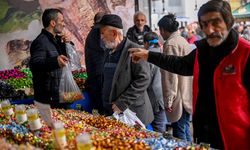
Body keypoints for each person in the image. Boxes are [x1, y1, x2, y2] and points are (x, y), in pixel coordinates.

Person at [129, 0, 250, 149]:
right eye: (204, 24)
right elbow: (180, 64)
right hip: (204, 135)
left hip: (236, 141)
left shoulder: (245, 53)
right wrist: (148, 55)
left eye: (216, 22)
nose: (210, 29)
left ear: (229, 22)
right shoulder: (202, 52)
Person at [99, 14, 154, 125]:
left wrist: (122, 102)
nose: (101, 37)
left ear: (114, 33)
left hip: (131, 114)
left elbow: (144, 79)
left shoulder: (134, 50)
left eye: (102, 33)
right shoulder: (107, 51)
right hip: (111, 113)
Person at [157, 14, 193, 142]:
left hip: (179, 98)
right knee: (185, 131)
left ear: (162, 29)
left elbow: (170, 76)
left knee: (180, 135)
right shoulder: (182, 41)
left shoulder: (170, 44)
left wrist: (169, 100)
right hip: (186, 95)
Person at [29, 8, 71, 108]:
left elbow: (65, 60)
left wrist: (65, 44)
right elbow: (34, 64)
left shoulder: (57, 40)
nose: (64, 24)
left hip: (60, 94)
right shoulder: (41, 42)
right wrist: (55, 61)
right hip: (49, 98)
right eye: (62, 21)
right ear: (53, 23)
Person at [143, 32, 167, 133]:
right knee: (160, 128)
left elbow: (144, 80)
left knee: (155, 131)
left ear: (145, 43)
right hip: (163, 97)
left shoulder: (146, 57)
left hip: (153, 100)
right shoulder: (164, 53)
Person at [85, 12, 106, 114]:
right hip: (99, 76)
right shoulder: (98, 31)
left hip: (96, 75)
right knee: (104, 110)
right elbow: (105, 49)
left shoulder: (93, 32)